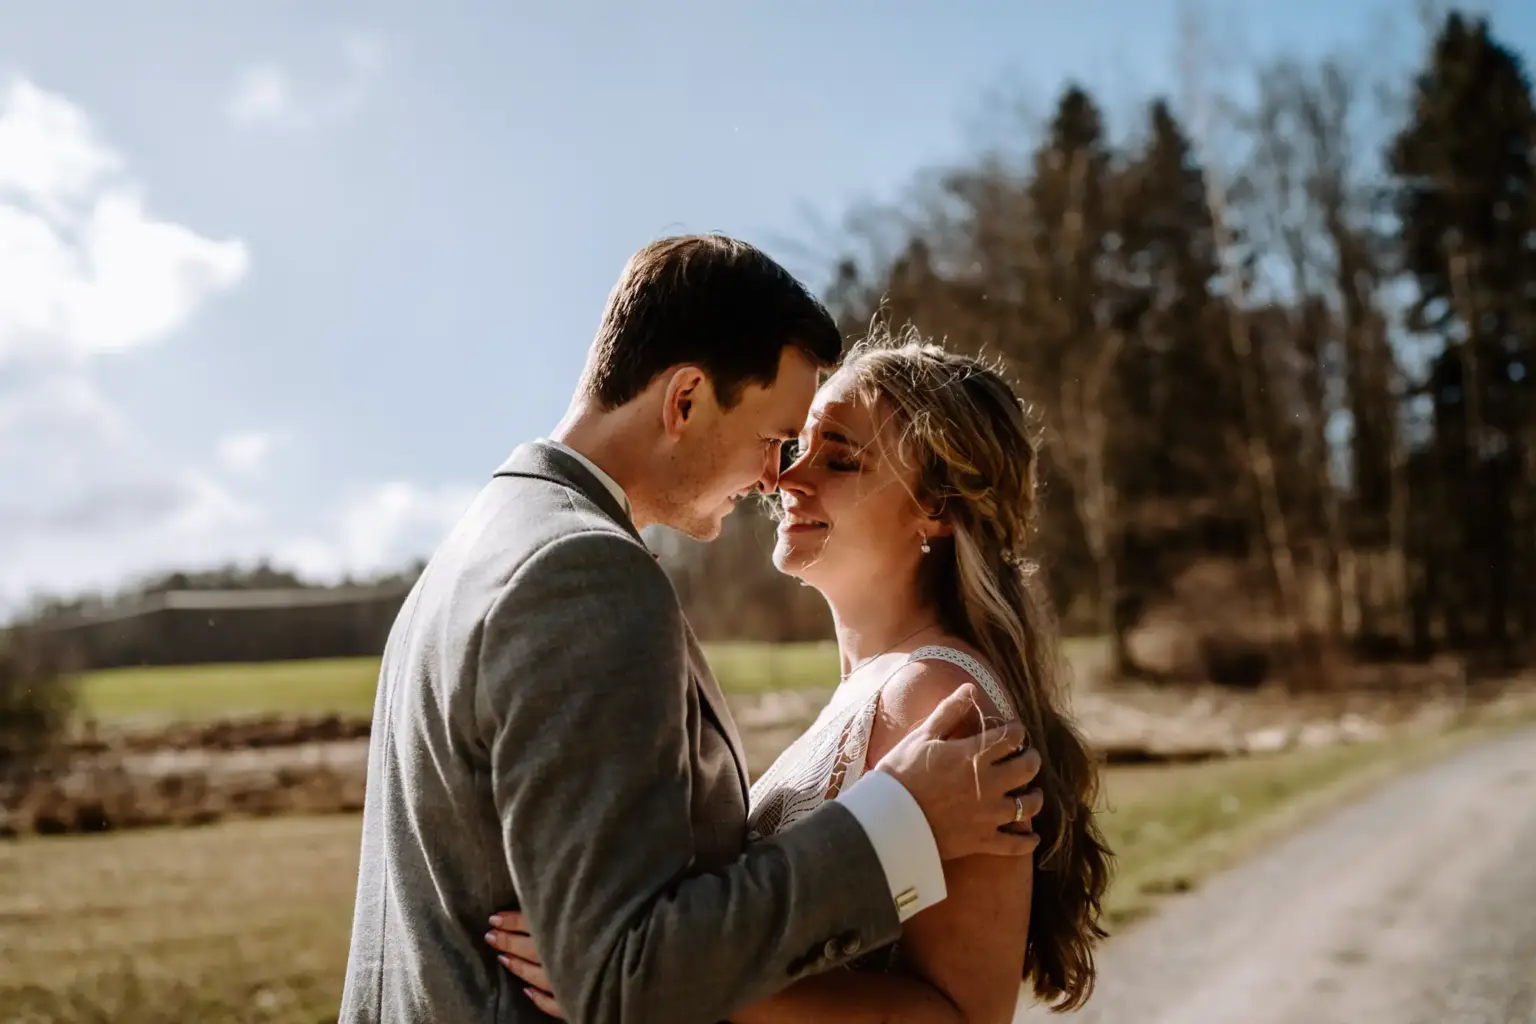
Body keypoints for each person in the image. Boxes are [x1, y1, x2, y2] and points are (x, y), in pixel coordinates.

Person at [338, 236, 1045, 1024]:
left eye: (825, 456)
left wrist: (618, 963)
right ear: (685, 401)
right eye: (779, 442)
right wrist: (894, 831)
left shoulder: (483, 546)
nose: (779, 479)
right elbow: (625, 976)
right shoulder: (581, 574)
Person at [486, 329, 1113, 1021]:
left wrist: (645, 978)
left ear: (934, 505)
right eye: (797, 448)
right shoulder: (873, 689)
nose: (788, 478)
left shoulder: (936, 697)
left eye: (840, 459)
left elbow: (962, 1016)